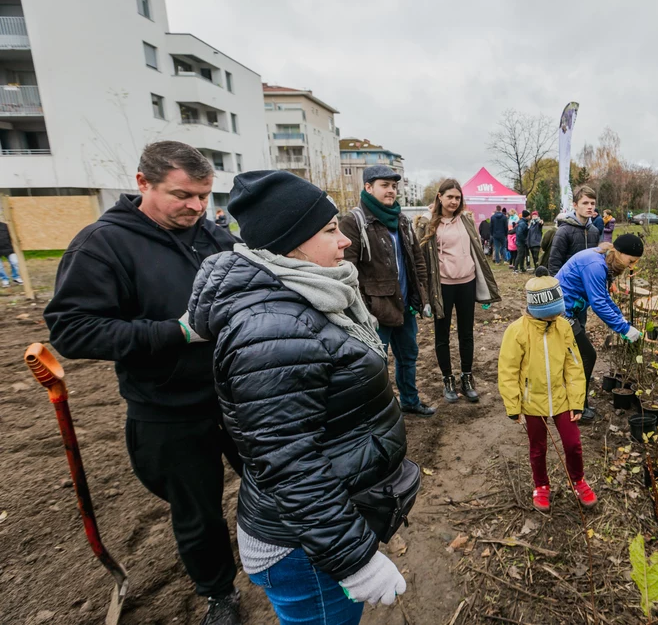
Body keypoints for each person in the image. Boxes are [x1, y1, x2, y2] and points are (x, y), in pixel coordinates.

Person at [189, 170, 413, 624]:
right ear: (289, 243)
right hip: (301, 548)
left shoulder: (309, 296)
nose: (344, 241)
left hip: (314, 531)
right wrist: (356, 559)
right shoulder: (272, 328)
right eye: (330, 230)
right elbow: (289, 462)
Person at [43, 141, 243, 625]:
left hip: (238, 396)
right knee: (197, 512)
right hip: (168, 407)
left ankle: (287, 555)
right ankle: (219, 594)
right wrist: (176, 332)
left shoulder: (213, 237)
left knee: (280, 480)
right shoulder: (102, 244)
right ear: (142, 184)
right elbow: (71, 329)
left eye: (204, 195)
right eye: (183, 195)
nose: (196, 207)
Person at [339, 165, 435, 417]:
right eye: (385, 185)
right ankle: (378, 411)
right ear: (368, 188)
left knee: (409, 356)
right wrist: (363, 310)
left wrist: (420, 292)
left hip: (405, 306)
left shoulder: (401, 220)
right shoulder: (354, 222)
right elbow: (347, 270)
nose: (391, 191)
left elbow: (417, 260)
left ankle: (410, 400)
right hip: (375, 312)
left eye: (394, 186)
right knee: (374, 364)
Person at [499, 267, 597, 511]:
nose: (554, 319)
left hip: (562, 398)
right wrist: (513, 405)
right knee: (538, 447)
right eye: (550, 316)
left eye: (557, 314)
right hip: (533, 402)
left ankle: (578, 480)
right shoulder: (517, 331)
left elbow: (574, 366)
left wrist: (577, 401)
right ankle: (541, 484)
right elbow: (508, 370)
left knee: (573, 443)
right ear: (536, 310)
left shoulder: (563, 327)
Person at [417, 179, 501, 403]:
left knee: (466, 333)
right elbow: (419, 256)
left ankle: (467, 377)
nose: (454, 201)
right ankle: (447, 380)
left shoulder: (466, 220)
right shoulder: (428, 223)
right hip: (442, 286)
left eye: (457, 197)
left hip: (467, 282)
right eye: (450, 197)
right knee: (442, 335)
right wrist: (422, 293)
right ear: (440, 196)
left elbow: (477, 251)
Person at [555, 235, 645, 422]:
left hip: (569, 310)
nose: (631, 267)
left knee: (575, 357)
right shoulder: (595, 265)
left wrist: (622, 320)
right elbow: (598, 304)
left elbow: (604, 297)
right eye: (631, 261)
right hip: (559, 312)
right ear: (619, 253)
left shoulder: (601, 260)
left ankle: (574, 400)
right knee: (587, 356)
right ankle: (577, 407)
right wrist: (624, 329)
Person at [548, 186, 600, 276]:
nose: (590, 207)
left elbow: (598, 259)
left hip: (588, 283)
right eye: (585, 203)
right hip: (569, 285)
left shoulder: (594, 231)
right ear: (575, 205)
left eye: (592, 203)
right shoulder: (563, 231)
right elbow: (554, 264)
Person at [0, 220, 23, 287]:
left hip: (8, 248)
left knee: (15, 262)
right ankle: (5, 279)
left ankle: (16, 277)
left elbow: (12, 235)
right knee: (0, 268)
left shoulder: (5, 226)